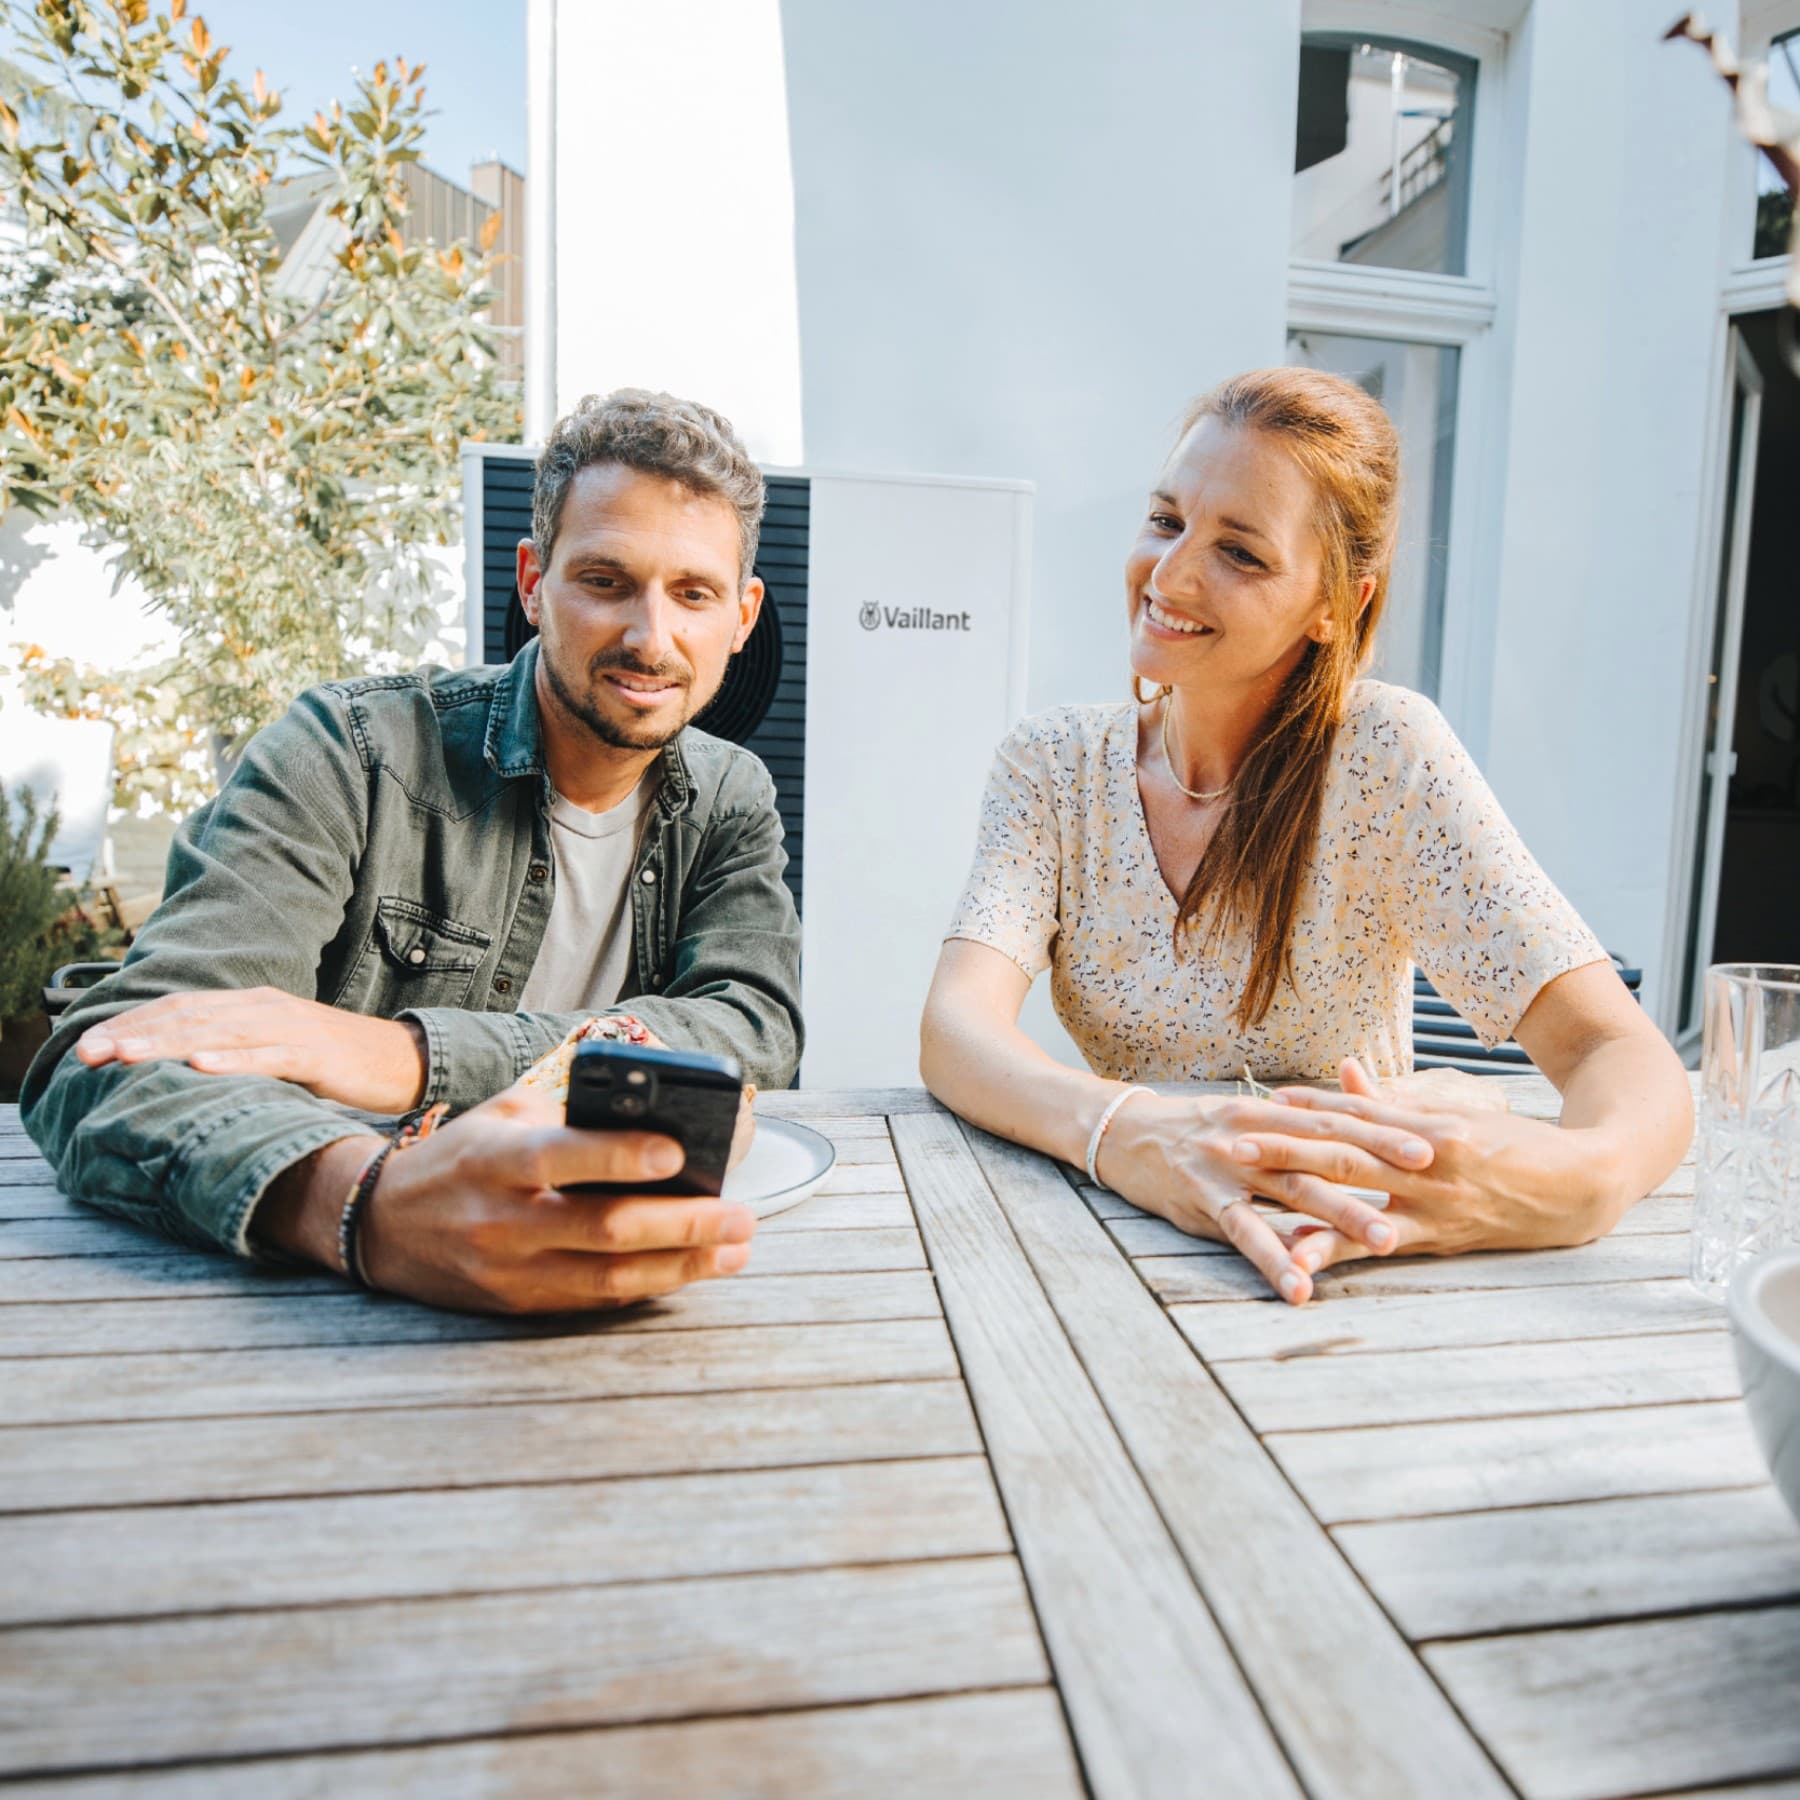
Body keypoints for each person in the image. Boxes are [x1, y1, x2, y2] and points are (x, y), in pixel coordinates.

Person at [921, 366, 1691, 1307]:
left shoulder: (1386, 756)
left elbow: (1617, 1051)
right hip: (1124, 1247)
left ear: (1338, 604)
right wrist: (1126, 1133)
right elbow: (956, 1027)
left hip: (1355, 1257)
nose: (1169, 574)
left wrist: (1584, 1184)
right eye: (1166, 520)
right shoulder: (1052, 764)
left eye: (1240, 553)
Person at [23, 389, 803, 1315]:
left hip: (627, 1295)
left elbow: (753, 1030)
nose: (650, 636)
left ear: (741, 617)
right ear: (532, 582)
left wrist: (410, 1055)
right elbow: (110, 1061)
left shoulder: (730, 796)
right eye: (604, 580)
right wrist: (365, 1208)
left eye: (693, 594)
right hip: (302, 1310)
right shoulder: (348, 751)